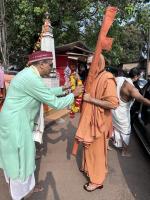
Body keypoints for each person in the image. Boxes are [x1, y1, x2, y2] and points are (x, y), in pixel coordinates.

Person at [0, 51, 83, 200]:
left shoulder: (29, 74)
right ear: (41, 64)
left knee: (26, 157)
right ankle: (19, 195)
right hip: (16, 124)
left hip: (17, 121)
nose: (51, 68)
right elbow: (55, 103)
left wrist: (64, 89)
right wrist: (74, 95)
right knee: (19, 161)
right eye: (50, 64)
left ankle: (28, 187)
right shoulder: (31, 78)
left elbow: (43, 92)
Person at [74, 54, 119, 192]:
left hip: (99, 123)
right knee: (89, 149)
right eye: (87, 64)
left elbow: (113, 104)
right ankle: (89, 169)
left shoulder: (107, 78)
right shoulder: (92, 77)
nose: (88, 67)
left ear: (99, 63)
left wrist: (91, 100)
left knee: (97, 152)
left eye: (91, 64)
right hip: (89, 120)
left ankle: (97, 181)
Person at [112, 67, 150, 156]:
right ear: (136, 76)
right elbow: (143, 100)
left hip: (114, 109)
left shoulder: (119, 79)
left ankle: (115, 144)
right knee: (126, 131)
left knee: (116, 127)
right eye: (139, 76)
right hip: (122, 113)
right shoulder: (132, 89)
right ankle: (124, 151)